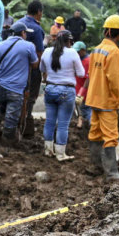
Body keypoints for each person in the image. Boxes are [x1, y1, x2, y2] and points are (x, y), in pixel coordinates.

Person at [85, 14, 119, 180]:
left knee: (95, 133)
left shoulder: (96, 49)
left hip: (94, 99)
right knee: (110, 136)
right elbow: (114, 80)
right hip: (107, 101)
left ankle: (94, 166)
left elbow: (93, 73)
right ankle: (111, 173)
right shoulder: (114, 52)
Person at [0, 21, 38, 143]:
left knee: (0, 109)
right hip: (16, 88)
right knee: (11, 117)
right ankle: (7, 141)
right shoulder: (29, 46)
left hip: (1, 86)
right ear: (23, 33)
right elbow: (35, 65)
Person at [40, 30, 85, 161]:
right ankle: (60, 154)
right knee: (63, 124)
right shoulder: (72, 53)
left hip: (49, 89)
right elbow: (81, 73)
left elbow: (42, 69)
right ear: (69, 41)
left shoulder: (47, 51)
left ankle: (48, 150)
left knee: (49, 122)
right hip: (66, 90)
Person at [17, 1, 46, 137]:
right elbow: (39, 53)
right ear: (39, 12)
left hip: (15, 68)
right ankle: (25, 118)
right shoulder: (36, 29)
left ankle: (17, 120)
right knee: (30, 97)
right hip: (31, 69)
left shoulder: (17, 24)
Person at [73, 41, 90, 130]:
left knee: (87, 114)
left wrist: (81, 93)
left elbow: (88, 79)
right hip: (78, 92)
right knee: (81, 113)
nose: (77, 53)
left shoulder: (88, 61)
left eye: (78, 52)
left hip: (85, 94)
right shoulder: (78, 60)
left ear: (83, 50)